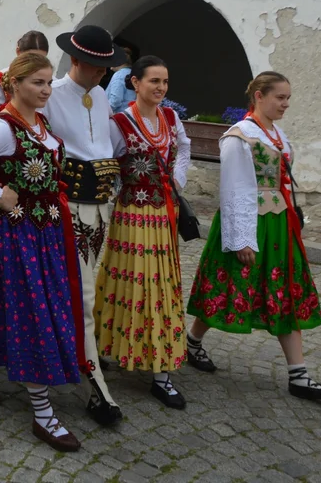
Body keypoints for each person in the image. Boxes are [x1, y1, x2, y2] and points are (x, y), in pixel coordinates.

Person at [0, 51, 87, 453]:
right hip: (15, 233)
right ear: (14, 85)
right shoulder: (2, 128)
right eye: (37, 83)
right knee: (32, 311)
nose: (45, 90)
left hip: (43, 234)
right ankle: (43, 412)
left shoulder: (39, 122)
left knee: (16, 305)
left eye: (47, 82)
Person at [186, 72, 321, 401]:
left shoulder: (276, 133)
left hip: (278, 224)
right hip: (249, 222)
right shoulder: (238, 137)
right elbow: (234, 190)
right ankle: (192, 341)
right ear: (258, 95)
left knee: (284, 291)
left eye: (287, 99)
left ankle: (299, 375)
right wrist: (241, 238)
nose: (285, 104)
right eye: (279, 97)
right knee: (231, 287)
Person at [94, 55, 192, 409]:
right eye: (154, 81)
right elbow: (105, 159)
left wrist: (177, 180)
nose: (161, 88)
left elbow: (184, 149)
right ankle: (110, 345)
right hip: (132, 214)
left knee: (161, 285)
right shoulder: (118, 122)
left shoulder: (170, 117)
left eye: (165, 82)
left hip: (163, 214)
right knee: (128, 282)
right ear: (134, 83)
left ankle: (160, 371)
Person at [41, 24, 126, 426]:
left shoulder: (102, 97)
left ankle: (62, 354)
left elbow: (105, 146)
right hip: (65, 209)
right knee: (84, 294)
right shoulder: (52, 95)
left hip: (98, 209)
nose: (101, 73)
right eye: (95, 66)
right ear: (75, 61)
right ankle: (95, 385)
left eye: (105, 67)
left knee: (80, 289)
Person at [0, 30, 50, 113]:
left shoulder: (51, 82)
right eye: (29, 58)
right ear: (18, 52)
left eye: (41, 59)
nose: (35, 64)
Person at [106, 48, 137, 114]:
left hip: (119, 117)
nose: (110, 67)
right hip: (131, 115)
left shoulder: (119, 75)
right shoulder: (132, 73)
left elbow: (115, 101)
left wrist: (102, 112)